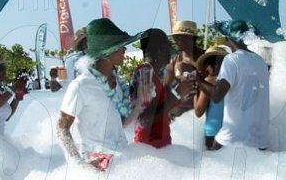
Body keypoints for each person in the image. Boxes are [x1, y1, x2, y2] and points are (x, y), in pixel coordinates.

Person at [57, 18, 141, 169]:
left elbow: (117, 124)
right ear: (107, 51)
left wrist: (140, 104)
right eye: (120, 46)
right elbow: (61, 128)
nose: (125, 50)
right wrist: (79, 161)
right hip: (98, 166)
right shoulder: (81, 85)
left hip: (122, 161)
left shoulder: (118, 83)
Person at [196, 20, 270, 150]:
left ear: (228, 38)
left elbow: (217, 95)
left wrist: (197, 79)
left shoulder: (232, 60)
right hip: (259, 143)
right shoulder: (261, 62)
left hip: (233, 140)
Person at [130, 28, 193, 148]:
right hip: (149, 151)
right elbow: (144, 119)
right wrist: (176, 94)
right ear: (160, 49)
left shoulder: (152, 74)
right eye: (168, 46)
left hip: (156, 151)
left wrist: (178, 92)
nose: (170, 50)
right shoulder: (144, 73)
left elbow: (159, 109)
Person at [193, 43, 230, 150]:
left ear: (208, 66)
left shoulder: (209, 81)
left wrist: (195, 92)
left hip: (213, 134)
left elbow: (199, 111)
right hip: (230, 134)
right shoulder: (231, 80)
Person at [164, 20, 204, 117]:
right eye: (173, 37)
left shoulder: (207, 57)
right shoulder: (173, 63)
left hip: (203, 113)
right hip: (182, 117)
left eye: (177, 37)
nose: (174, 41)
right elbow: (165, 90)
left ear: (190, 38)